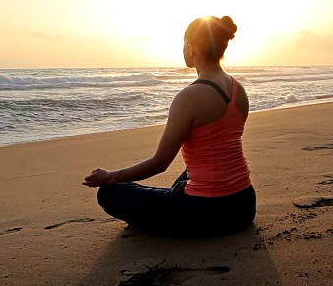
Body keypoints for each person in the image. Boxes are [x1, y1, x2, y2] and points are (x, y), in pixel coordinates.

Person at [82, 16, 255, 236]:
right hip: (244, 205)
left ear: (191, 48)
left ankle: (160, 215)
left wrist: (109, 177)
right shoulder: (237, 89)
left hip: (207, 213)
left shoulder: (189, 97)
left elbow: (159, 164)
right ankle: (167, 204)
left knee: (109, 194)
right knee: (191, 171)